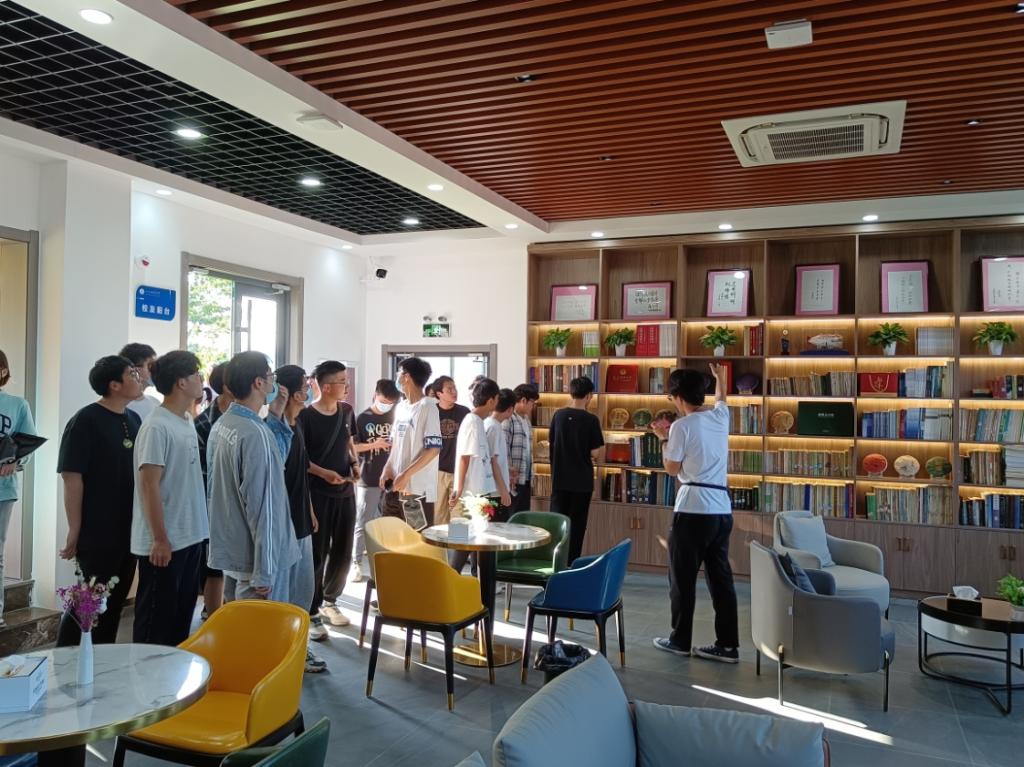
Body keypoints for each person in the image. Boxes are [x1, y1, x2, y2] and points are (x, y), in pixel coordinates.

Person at [651, 364, 739, 663]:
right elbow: (722, 400)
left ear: (677, 396)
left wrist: (663, 438)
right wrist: (721, 380)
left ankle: (679, 640)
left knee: (682, 578)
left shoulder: (681, 427)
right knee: (721, 579)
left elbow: (671, 468)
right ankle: (728, 646)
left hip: (693, 509)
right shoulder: (720, 417)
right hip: (721, 510)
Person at [56, 355, 144, 645]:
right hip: (98, 529)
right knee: (88, 601)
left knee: (114, 602)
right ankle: (66, 658)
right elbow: (72, 477)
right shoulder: (86, 420)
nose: (139, 378)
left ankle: (103, 660)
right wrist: (75, 529)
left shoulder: (134, 419)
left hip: (128, 527)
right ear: (114, 385)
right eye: (132, 374)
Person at [207, 351, 298, 603]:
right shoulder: (254, 433)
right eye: (270, 376)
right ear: (258, 382)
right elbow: (265, 507)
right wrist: (265, 571)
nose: (274, 382)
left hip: (232, 550)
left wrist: (276, 414)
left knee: (236, 621)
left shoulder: (223, 424)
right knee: (258, 626)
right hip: (256, 561)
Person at [131, 351, 209, 646]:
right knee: (155, 626)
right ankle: (147, 676)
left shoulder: (186, 419)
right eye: (196, 374)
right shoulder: (156, 425)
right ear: (181, 383)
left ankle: (173, 676)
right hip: (165, 542)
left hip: (190, 536)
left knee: (180, 621)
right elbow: (149, 485)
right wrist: (160, 539)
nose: (201, 379)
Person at [272, 365, 326, 672]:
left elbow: (301, 472)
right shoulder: (274, 431)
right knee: (282, 593)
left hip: (302, 519)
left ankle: (298, 650)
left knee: (302, 592)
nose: (309, 391)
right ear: (294, 394)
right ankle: (282, 655)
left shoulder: (298, 425)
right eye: (306, 387)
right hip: (283, 525)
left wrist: (310, 509)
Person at [299, 360, 359, 630]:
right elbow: (301, 459)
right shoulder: (305, 417)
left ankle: (331, 600)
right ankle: (312, 609)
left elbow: (349, 442)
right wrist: (324, 474)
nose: (347, 386)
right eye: (342, 381)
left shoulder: (347, 411)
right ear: (325, 387)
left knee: (343, 550)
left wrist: (355, 463)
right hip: (318, 493)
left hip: (345, 491)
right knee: (317, 551)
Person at [449, 378, 509, 573]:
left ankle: (475, 581)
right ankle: (449, 580)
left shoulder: (478, 422)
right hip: (469, 495)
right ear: (491, 400)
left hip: (479, 493)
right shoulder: (472, 421)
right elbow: (464, 458)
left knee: (477, 541)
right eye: (496, 398)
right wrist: (458, 489)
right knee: (461, 542)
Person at [548, 376, 603, 565]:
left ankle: (555, 563)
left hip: (559, 480)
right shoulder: (591, 420)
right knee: (577, 527)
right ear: (589, 396)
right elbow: (595, 453)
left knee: (557, 524)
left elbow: (552, 443)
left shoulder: (558, 416)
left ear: (571, 393)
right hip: (582, 483)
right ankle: (572, 564)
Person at [380, 357, 441, 526]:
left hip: (415, 490)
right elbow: (395, 444)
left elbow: (433, 449)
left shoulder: (428, 407)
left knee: (416, 536)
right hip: (394, 486)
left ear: (406, 376)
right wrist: (387, 468)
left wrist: (406, 475)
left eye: (398, 373)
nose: (397, 377)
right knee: (391, 534)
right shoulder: (401, 407)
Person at [351, 379, 401, 584]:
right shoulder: (362, 418)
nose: (387, 405)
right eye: (384, 401)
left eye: (391, 402)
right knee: (363, 521)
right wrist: (374, 445)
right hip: (369, 477)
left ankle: (387, 561)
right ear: (376, 395)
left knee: (389, 522)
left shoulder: (396, 415)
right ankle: (356, 562)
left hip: (393, 478)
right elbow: (353, 447)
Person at [0, 350, 36, 625]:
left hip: (3, 489)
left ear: (3, 371)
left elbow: (28, 444)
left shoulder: (17, 404)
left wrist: (15, 461)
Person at [194, 361, 231, 619]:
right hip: (213, 508)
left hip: (237, 506)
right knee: (213, 565)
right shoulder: (203, 424)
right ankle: (213, 615)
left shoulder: (253, 418)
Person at [432, 376, 469, 525]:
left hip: (459, 471)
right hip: (437, 472)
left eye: (455, 388)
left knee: (459, 517)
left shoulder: (464, 412)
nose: (454, 392)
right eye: (449, 389)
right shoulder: (431, 412)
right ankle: (439, 541)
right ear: (439, 393)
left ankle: (458, 540)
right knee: (438, 516)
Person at [504, 383, 539, 513]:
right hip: (513, 479)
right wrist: (508, 472)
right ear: (524, 400)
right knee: (511, 515)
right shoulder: (509, 419)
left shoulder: (526, 420)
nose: (533, 406)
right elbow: (504, 448)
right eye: (532, 402)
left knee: (523, 516)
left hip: (526, 477)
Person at [485, 388, 517, 522]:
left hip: (494, 489)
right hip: (494, 492)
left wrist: (507, 469)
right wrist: (504, 491)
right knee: (496, 528)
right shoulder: (493, 427)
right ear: (510, 409)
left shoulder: (493, 425)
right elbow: (493, 462)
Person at [120, 343, 161, 421]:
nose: (155, 370)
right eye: (151, 366)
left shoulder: (156, 403)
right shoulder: (120, 407)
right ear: (134, 369)